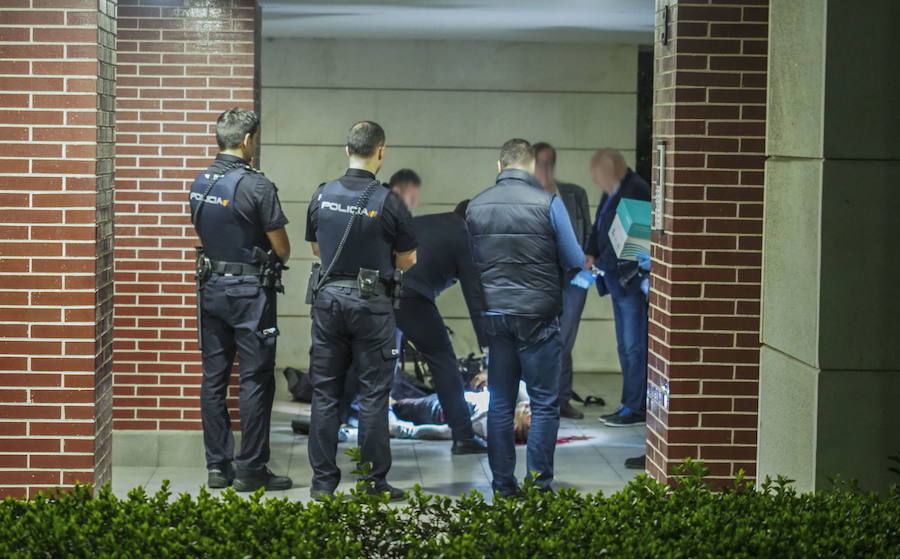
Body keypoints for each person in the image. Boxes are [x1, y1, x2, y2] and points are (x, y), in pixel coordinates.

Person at [305, 121, 417, 500]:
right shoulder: (389, 201)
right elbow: (408, 259)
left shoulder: (322, 195)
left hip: (328, 300)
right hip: (372, 304)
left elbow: (317, 250)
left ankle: (322, 483)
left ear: (346, 149)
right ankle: (372, 482)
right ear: (381, 151)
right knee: (372, 394)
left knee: (325, 393)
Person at [466, 139, 584, 497]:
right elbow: (575, 258)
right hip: (539, 316)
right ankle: (539, 486)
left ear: (499, 166)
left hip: (496, 317)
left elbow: (473, 263)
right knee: (545, 403)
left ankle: (503, 485)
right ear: (532, 168)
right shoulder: (549, 202)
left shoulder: (476, 206)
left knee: (501, 404)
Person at [188, 107, 292, 492]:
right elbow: (282, 249)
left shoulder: (200, 182)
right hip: (250, 294)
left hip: (210, 288)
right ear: (248, 140)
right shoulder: (257, 186)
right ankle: (251, 469)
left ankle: (217, 466)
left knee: (213, 378)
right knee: (255, 378)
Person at [394, 197, 490, 454]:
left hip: (379, 290)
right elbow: (476, 297)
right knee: (442, 359)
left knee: (376, 360)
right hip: (411, 296)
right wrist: (489, 344)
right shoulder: (465, 235)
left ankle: (342, 419)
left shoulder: (429, 222)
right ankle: (463, 436)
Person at [585, 148, 651, 427]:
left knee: (634, 346)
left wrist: (605, 263)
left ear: (614, 169)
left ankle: (635, 407)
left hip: (629, 281)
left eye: (598, 174)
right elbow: (599, 225)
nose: (596, 180)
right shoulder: (613, 190)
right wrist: (591, 252)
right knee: (625, 346)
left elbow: (632, 244)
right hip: (616, 280)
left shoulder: (635, 191)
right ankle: (628, 402)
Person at [533, 142, 592, 420]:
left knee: (565, 339)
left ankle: (562, 398)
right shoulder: (527, 196)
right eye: (539, 163)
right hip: (541, 276)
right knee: (543, 337)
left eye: (548, 163)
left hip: (573, 275)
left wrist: (590, 257)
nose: (544, 168)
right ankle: (543, 397)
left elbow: (588, 233)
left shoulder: (573, 193)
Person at [390, 382, 531, 444]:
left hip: (438, 409)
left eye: (529, 416)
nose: (529, 409)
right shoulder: (523, 399)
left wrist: (400, 430)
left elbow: (444, 432)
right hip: (456, 398)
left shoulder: (487, 423)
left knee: (397, 405)